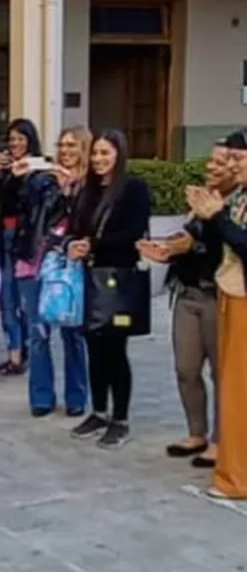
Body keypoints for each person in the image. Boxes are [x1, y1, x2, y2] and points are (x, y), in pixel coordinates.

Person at [141, 140, 235, 468]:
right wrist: (166, 249)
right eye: (210, 161)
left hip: (217, 296)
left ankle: (224, 441)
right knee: (186, 369)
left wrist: (210, 221)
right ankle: (197, 432)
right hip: (187, 293)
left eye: (221, 162)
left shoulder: (233, 207)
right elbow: (189, 239)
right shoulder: (200, 201)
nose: (212, 167)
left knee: (223, 373)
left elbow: (220, 249)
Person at [67, 129, 150, 449]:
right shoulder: (87, 190)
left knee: (115, 350)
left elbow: (134, 232)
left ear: (119, 155)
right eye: (96, 154)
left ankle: (121, 418)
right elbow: (76, 227)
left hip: (119, 277)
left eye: (106, 153)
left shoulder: (133, 189)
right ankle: (98, 410)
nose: (99, 160)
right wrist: (75, 245)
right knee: (95, 348)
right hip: (90, 276)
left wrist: (95, 243)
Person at [185, 129, 247, 500]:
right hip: (230, 292)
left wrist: (218, 217)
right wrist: (207, 218)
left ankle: (237, 477)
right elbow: (220, 246)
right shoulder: (239, 197)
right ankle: (232, 469)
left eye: (240, 160)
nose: (233, 166)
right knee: (232, 387)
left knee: (238, 391)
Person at [14, 126, 92, 417]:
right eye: (62, 145)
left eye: (73, 145)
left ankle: (76, 396)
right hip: (39, 262)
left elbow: (83, 221)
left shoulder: (90, 186)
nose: (66, 151)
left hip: (72, 267)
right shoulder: (43, 182)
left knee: (73, 334)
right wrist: (18, 177)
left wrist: (69, 193)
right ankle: (41, 397)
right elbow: (27, 210)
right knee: (38, 333)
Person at [0, 118, 43, 376]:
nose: (16, 144)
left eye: (21, 138)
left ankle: (30, 349)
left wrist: (23, 176)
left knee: (27, 301)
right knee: (6, 298)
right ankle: (14, 356)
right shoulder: (3, 168)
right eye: (12, 138)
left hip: (27, 242)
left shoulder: (39, 169)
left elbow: (37, 204)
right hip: (2, 238)